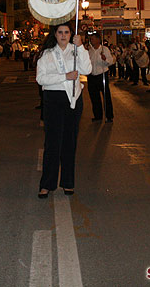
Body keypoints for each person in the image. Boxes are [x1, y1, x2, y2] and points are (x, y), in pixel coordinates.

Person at [36, 22, 92, 199]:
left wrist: (81, 47)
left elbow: (87, 70)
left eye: (66, 32)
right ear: (55, 34)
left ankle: (68, 182)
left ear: (71, 34)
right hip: (53, 100)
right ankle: (47, 184)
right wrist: (64, 77)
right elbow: (41, 79)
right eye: (60, 32)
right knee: (52, 144)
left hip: (73, 100)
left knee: (70, 142)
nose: (63, 35)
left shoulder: (76, 51)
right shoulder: (47, 54)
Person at [87, 32, 114, 122]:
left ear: (98, 40)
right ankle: (98, 116)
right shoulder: (89, 50)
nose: (91, 40)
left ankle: (109, 116)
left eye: (93, 39)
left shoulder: (104, 49)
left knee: (106, 96)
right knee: (94, 97)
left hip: (102, 74)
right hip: (92, 76)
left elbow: (111, 61)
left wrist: (105, 59)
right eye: (91, 39)